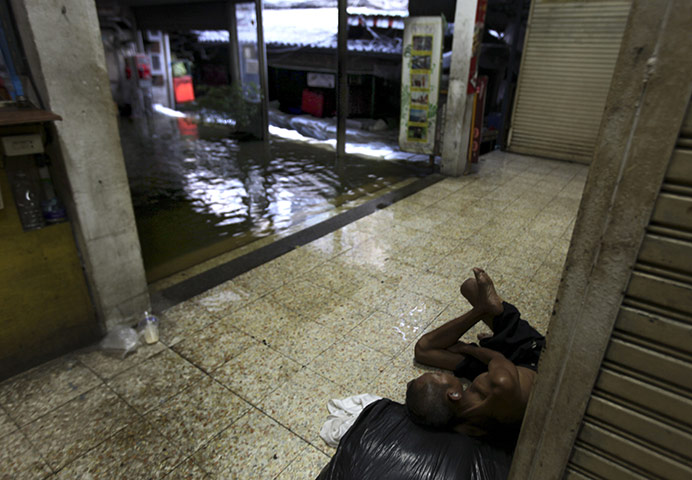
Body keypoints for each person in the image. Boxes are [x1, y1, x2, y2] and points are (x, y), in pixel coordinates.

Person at [405, 267, 545, 437]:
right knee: (470, 287)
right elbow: (496, 357)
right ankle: (487, 309)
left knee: (423, 351)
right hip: (534, 361)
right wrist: (466, 348)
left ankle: (483, 309)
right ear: (454, 395)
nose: (438, 372)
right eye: (437, 376)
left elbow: (424, 348)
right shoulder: (500, 383)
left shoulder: (462, 423)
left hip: (506, 373)